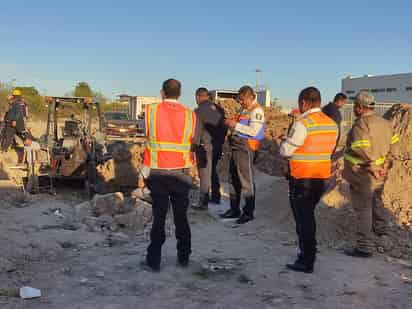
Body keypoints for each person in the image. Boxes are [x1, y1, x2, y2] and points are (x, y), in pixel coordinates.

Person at [138, 79, 199, 271]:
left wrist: (142, 174)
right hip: (181, 173)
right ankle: (184, 256)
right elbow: (192, 143)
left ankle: (154, 259)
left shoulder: (151, 111)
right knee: (181, 217)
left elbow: (146, 138)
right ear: (180, 94)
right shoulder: (191, 115)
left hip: (157, 173)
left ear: (162, 92)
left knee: (159, 217)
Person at [280, 87, 338, 273]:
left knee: (304, 220)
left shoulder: (303, 123)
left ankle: (307, 259)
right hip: (321, 178)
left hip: (302, 177)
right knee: (308, 217)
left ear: (304, 102)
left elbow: (286, 151)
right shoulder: (331, 124)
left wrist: (284, 141)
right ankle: (307, 254)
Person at [343, 92, 399, 258]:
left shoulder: (361, 124)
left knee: (363, 209)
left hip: (363, 173)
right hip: (381, 172)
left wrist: (372, 166)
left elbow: (361, 148)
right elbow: (394, 145)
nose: (354, 109)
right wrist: (386, 164)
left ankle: (364, 246)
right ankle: (381, 231)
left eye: (355, 107)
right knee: (376, 201)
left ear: (360, 108)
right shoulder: (385, 123)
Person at [220, 86, 265, 224]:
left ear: (251, 97)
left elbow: (254, 131)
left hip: (246, 148)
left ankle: (248, 212)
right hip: (236, 146)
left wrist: (235, 125)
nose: (240, 102)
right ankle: (234, 209)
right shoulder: (244, 110)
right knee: (233, 179)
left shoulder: (257, 111)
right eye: (239, 99)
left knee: (246, 181)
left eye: (242, 99)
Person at [192, 87, 226, 210]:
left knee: (204, 173)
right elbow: (224, 127)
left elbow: (197, 131)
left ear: (198, 97)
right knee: (212, 171)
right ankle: (216, 196)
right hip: (217, 146)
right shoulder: (219, 109)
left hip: (204, 146)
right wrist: (220, 142)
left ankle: (203, 202)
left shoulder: (199, 111)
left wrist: (193, 146)